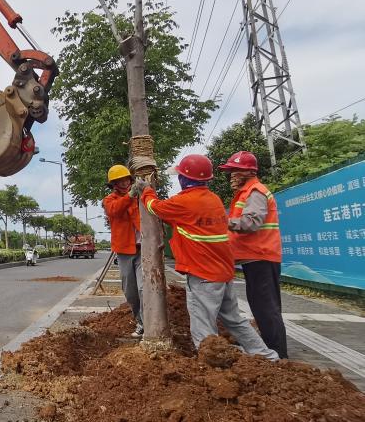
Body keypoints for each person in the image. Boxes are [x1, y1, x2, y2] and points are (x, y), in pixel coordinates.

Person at [134, 155, 279, 361]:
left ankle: (210, 365)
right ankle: (267, 356)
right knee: (234, 319)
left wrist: (145, 190)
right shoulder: (213, 199)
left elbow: (154, 207)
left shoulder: (184, 202)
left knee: (203, 324)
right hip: (223, 271)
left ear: (184, 179)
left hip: (202, 274)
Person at [219, 151, 288, 359]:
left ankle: (278, 355)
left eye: (235, 170)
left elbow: (251, 222)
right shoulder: (245, 192)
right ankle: (272, 350)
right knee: (262, 307)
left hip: (261, 257)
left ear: (249, 171)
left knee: (266, 309)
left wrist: (223, 221)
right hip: (256, 258)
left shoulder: (255, 191)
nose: (231, 175)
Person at [102, 164, 143, 337]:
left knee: (144, 288)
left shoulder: (139, 196)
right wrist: (131, 195)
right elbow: (115, 210)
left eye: (126, 179)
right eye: (119, 181)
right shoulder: (109, 200)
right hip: (125, 252)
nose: (124, 183)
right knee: (131, 291)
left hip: (143, 249)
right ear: (113, 185)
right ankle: (140, 321)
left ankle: (149, 324)